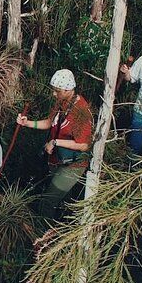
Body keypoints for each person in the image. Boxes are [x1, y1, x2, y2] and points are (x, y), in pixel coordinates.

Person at [16, 69, 92, 218]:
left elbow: (84, 145)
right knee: (59, 195)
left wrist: (55, 142)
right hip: (57, 159)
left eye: (57, 91)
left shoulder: (81, 112)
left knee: (47, 202)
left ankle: (43, 232)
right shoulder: (62, 102)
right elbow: (50, 123)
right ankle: (63, 218)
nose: (53, 94)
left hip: (73, 165)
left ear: (68, 89)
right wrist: (27, 123)